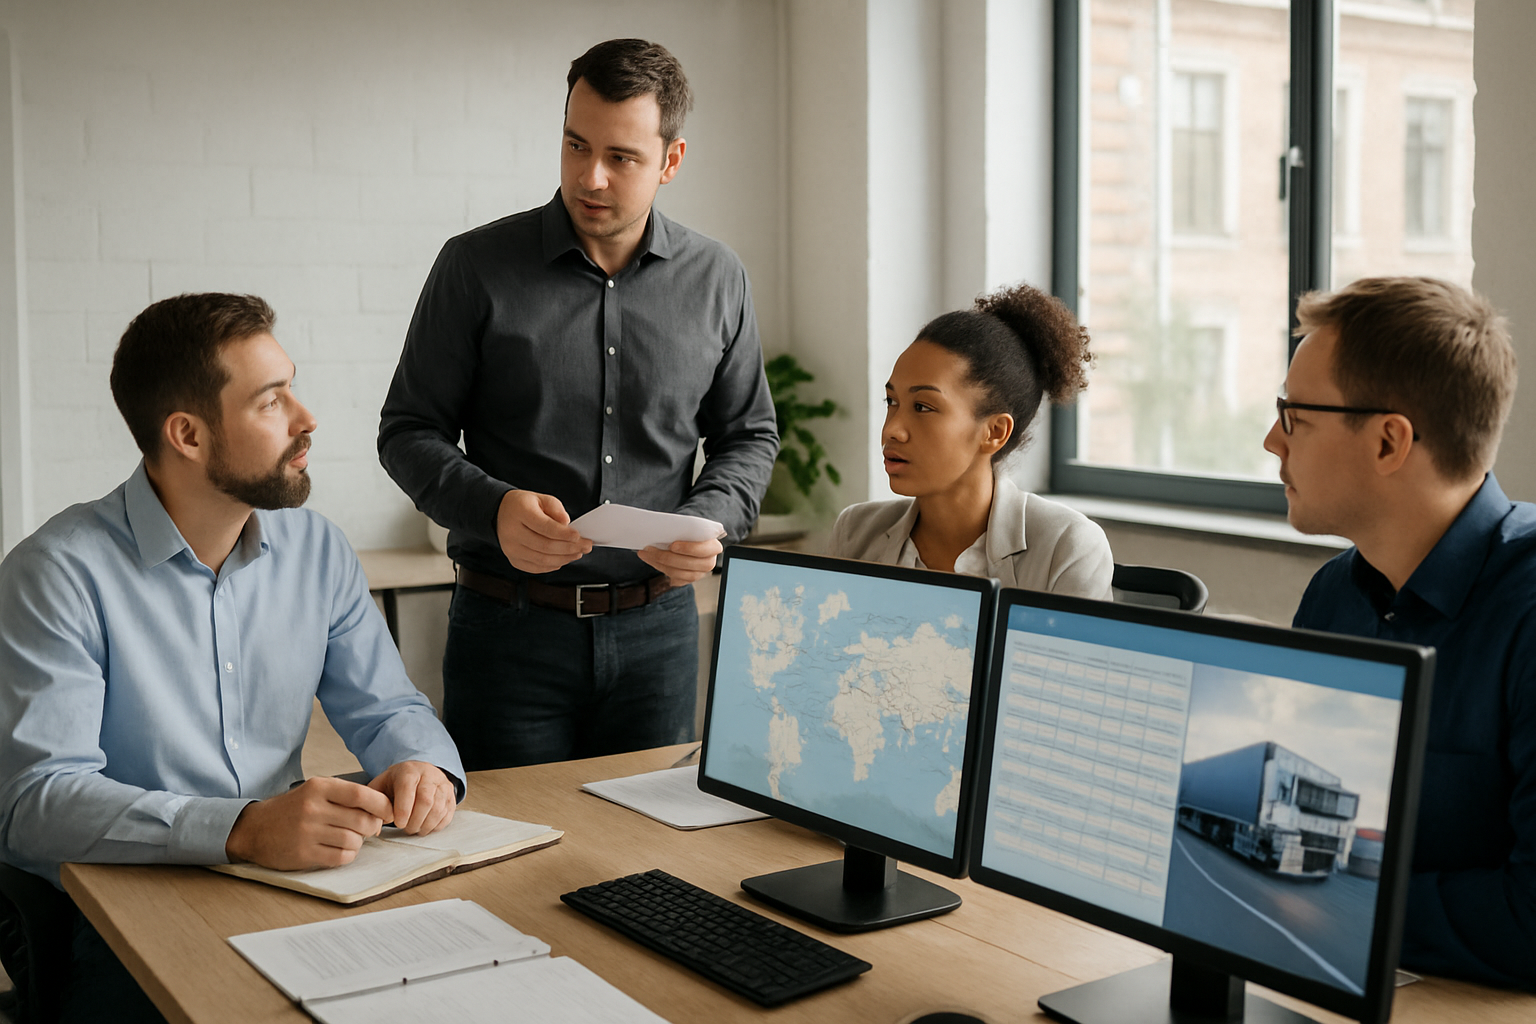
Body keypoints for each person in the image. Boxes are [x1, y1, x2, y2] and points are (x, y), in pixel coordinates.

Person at [0, 293, 465, 1023]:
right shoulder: (56, 573)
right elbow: (38, 802)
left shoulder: (318, 550)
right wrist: (242, 828)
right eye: (271, 401)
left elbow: (387, 708)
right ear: (187, 434)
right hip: (129, 912)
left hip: (294, 886)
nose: (307, 419)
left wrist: (421, 767)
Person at [378, 39, 778, 771]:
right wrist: (494, 508)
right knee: (511, 842)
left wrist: (710, 520)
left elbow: (749, 435)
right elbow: (408, 430)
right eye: (575, 145)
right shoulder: (474, 266)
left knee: (647, 840)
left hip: (659, 635)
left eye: (621, 157)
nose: (590, 177)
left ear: (670, 160)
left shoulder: (719, 277)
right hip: (507, 634)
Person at [1264, 276, 1535, 990]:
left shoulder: (1529, 613)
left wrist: (1330, 905)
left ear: (1389, 441)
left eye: (1295, 417)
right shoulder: (1333, 595)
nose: (1271, 441)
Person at [829, 282, 1113, 597]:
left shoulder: (1067, 548)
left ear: (994, 432)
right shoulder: (855, 532)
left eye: (922, 407)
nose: (892, 430)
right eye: (891, 401)